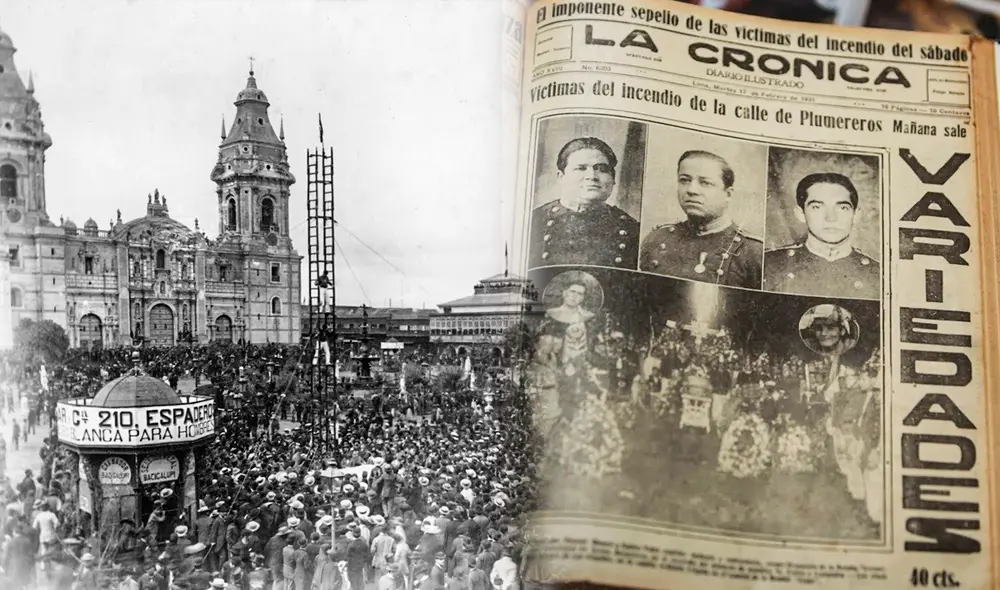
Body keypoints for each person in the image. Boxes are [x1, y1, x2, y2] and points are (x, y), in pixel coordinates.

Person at [639, 150, 763, 288]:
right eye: (684, 180)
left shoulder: (752, 252)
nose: (692, 190)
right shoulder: (657, 239)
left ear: (727, 194)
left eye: (705, 183)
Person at [763, 172, 880, 299]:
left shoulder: (879, 275)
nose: (831, 218)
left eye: (842, 208)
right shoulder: (768, 266)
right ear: (801, 214)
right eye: (817, 207)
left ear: (856, 215)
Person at [528, 137, 639, 268]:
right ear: (561, 177)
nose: (592, 176)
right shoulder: (534, 222)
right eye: (581, 168)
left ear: (613, 179)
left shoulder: (631, 230)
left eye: (602, 169)